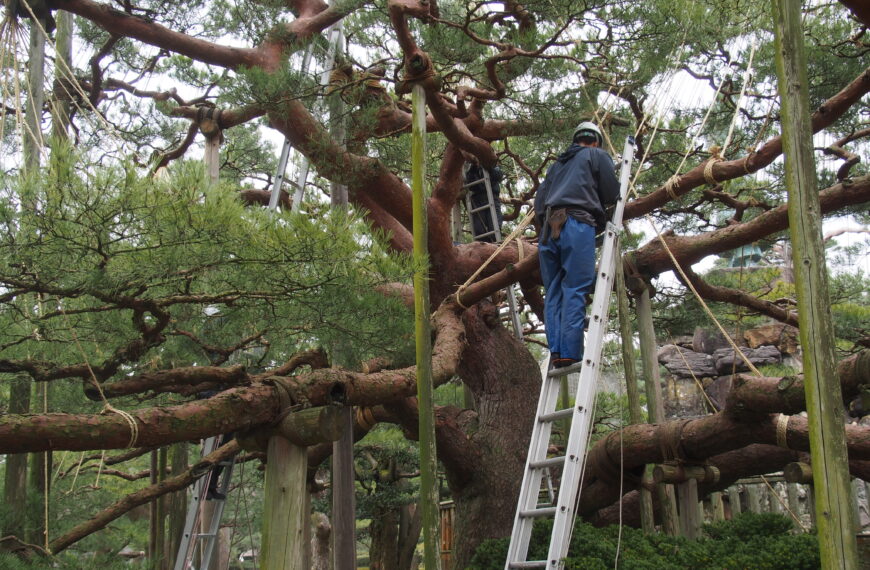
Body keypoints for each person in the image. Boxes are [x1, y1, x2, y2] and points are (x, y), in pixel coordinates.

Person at [533, 122, 620, 368]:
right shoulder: (596, 155)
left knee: (554, 292)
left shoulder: (556, 166)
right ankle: (570, 351)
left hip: (550, 230)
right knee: (575, 287)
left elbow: (539, 205)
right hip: (577, 224)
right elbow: (612, 192)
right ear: (595, 141)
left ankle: (558, 350)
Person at [465, 161, 504, 243]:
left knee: (494, 228)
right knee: (479, 231)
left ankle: (496, 249)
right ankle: (484, 251)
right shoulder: (472, 169)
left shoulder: (493, 167)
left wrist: (488, 166)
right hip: (478, 201)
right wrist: (474, 167)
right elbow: (470, 185)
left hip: (492, 199)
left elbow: (498, 176)